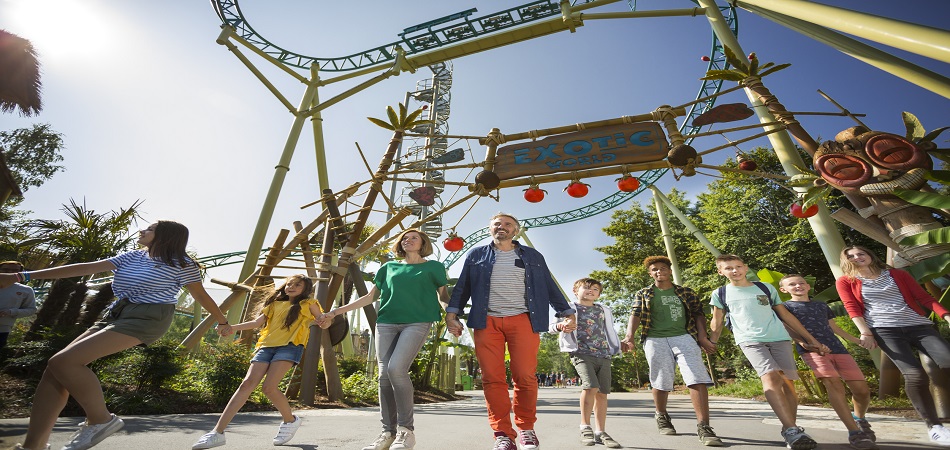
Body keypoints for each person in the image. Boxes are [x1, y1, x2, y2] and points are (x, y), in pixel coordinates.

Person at [0, 221, 233, 450]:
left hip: (149, 317)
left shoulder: (182, 263)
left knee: (64, 361)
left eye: (150, 229)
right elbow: (84, 268)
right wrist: (23, 276)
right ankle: (34, 446)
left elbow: (201, 296)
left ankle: (101, 419)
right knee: (55, 370)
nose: (142, 230)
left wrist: (222, 321)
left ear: (165, 236)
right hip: (118, 313)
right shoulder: (132, 256)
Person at [445, 212, 576, 450]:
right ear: (490, 229)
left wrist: (566, 311)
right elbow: (463, 286)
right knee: (492, 379)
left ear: (516, 231)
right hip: (487, 322)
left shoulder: (533, 256)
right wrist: (452, 314)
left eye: (507, 224)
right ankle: (502, 434)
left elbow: (549, 285)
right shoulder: (476, 255)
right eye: (497, 224)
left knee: (525, 376)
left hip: (523, 320)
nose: (502, 227)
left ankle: (526, 429)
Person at [317, 228, 448, 450]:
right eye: (404, 238)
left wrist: (452, 317)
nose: (408, 240)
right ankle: (388, 432)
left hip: (417, 322)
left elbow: (443, 296)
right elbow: (369, 297)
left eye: (414, 237)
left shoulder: (433, 267)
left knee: (396, 369)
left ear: (423, 243)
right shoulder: (388, 268)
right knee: (383, 375)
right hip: (386, 323)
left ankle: (406, 431)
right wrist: (335, 312)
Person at [708, 254, 828, 450]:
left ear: (745, 268)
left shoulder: (765, 288)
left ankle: (791, 430)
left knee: (788, 383)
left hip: (779, 337)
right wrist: (711, 341)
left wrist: (810, 339)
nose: (735, 271)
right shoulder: (720, 293)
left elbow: (785, 315)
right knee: (770, 376)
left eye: (738, 266)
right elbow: (717, 321)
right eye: (729, 268)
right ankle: (791, 430)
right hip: (750, 340)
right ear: (720, 272)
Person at [836, 246, 950, 446]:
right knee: (915, 374)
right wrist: (865, 332)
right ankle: (935, 427)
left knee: (947, 361)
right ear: (846, 261)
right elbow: (851, 307)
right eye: (851, 256)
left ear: (870, 254)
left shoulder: (898, 274)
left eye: (861, 253)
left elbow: (924, 298)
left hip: (919, 325)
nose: (857, 257)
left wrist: (947, 316)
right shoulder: (846, 281)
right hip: (885, 330)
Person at [192, 274, 322, 449]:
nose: (291, 287)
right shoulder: (274, 305)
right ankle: (217, 433)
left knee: (269, 388)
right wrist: (231, 328)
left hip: (290, 347)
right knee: (246, 384)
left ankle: (290, 420)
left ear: (305, 289)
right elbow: (256, 322)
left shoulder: (309, 304)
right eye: (289, 284)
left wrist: (326, 320)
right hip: (266, 347)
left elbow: (323, 321)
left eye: (297, 285)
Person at [620, 256, 724, 447]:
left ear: (669, 270)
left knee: (697, 377)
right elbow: (635, 314)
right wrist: (629, 337)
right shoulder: (644, 293)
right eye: (654, 270)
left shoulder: (685, 292)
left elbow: (698, 314)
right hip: (654, 339)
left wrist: (702, 337)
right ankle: (661, 415)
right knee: (661, 380)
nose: (659, 272)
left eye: (663, 268)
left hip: (684, 336)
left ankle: (704, 427)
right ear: (650, 273)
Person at [779, 274, 877, 450]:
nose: (798, 286)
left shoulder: (821, 305)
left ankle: (859, 419)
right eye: (792, 284)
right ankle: (855, 433)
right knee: (834, 385)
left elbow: (834, 327)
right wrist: (803, 343)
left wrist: (857, 340)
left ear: (808, 286)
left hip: (838, 348)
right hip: (813, 351)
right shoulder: (785, 307)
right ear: (784, 290)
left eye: (801, 283)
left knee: (862, 391)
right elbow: (788, 328)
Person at [550, 277, 622, 448]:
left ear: (598, 295)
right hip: (581, 353)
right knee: (590, 386)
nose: (591, 290)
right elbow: (552, 326)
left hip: (603, 354)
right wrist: (561, 326)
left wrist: (618, 345)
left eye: (595, 289)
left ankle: (600, 432)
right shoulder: (569, 308)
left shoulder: (604, 310)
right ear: (576, 291)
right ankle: (585, 426)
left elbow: (609, 330)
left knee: (602, 393)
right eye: (586, 287)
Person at [0, 260, 37, 349]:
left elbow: (31, 310)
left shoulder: (26, 290)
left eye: (14, 270)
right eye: (6, 269)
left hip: (2, 329)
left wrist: (10, 312)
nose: (10, 272)